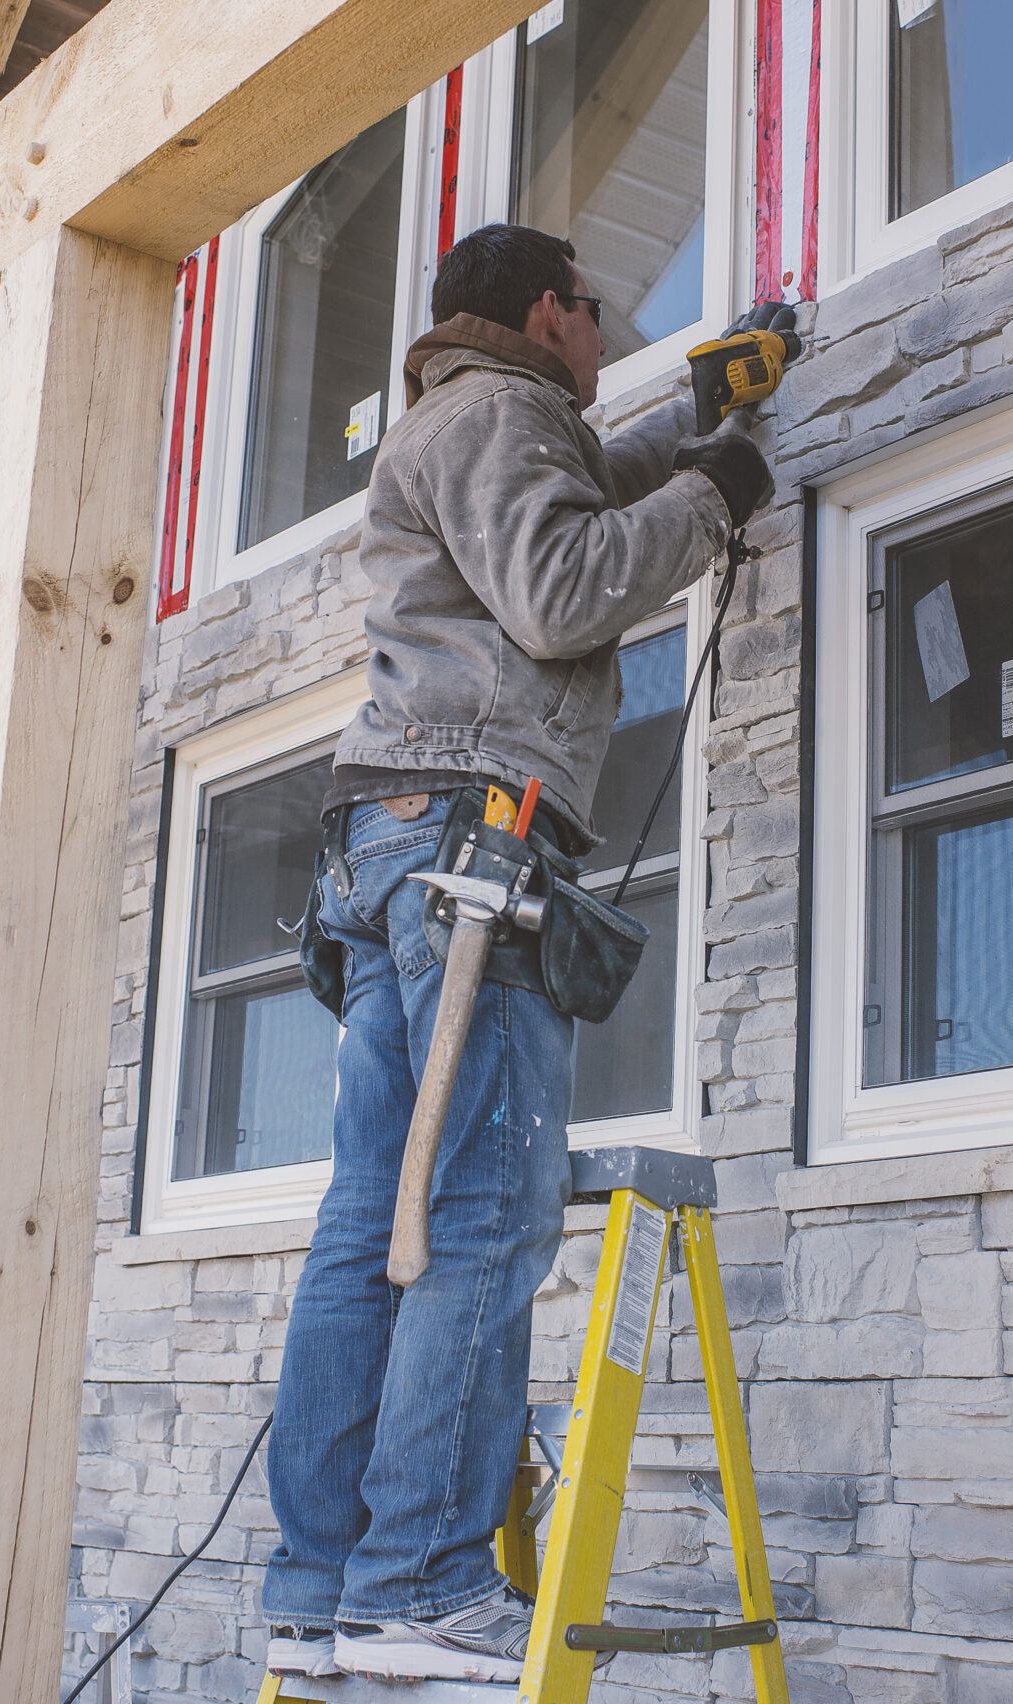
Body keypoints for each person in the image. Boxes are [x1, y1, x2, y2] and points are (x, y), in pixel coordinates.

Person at [259, 224, 780, 1685]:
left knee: (376, 1222)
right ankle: (418, 1581)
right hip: (467, 845)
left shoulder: (471, 421)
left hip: (396, 847)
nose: (607, 337)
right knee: (485, 1214)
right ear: (547, 312)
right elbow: (563, 587)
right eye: (597, 314)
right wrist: (722, 488)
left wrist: (699, 420)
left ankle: (317, 1588)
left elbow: (579, 496)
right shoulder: (499, 415)